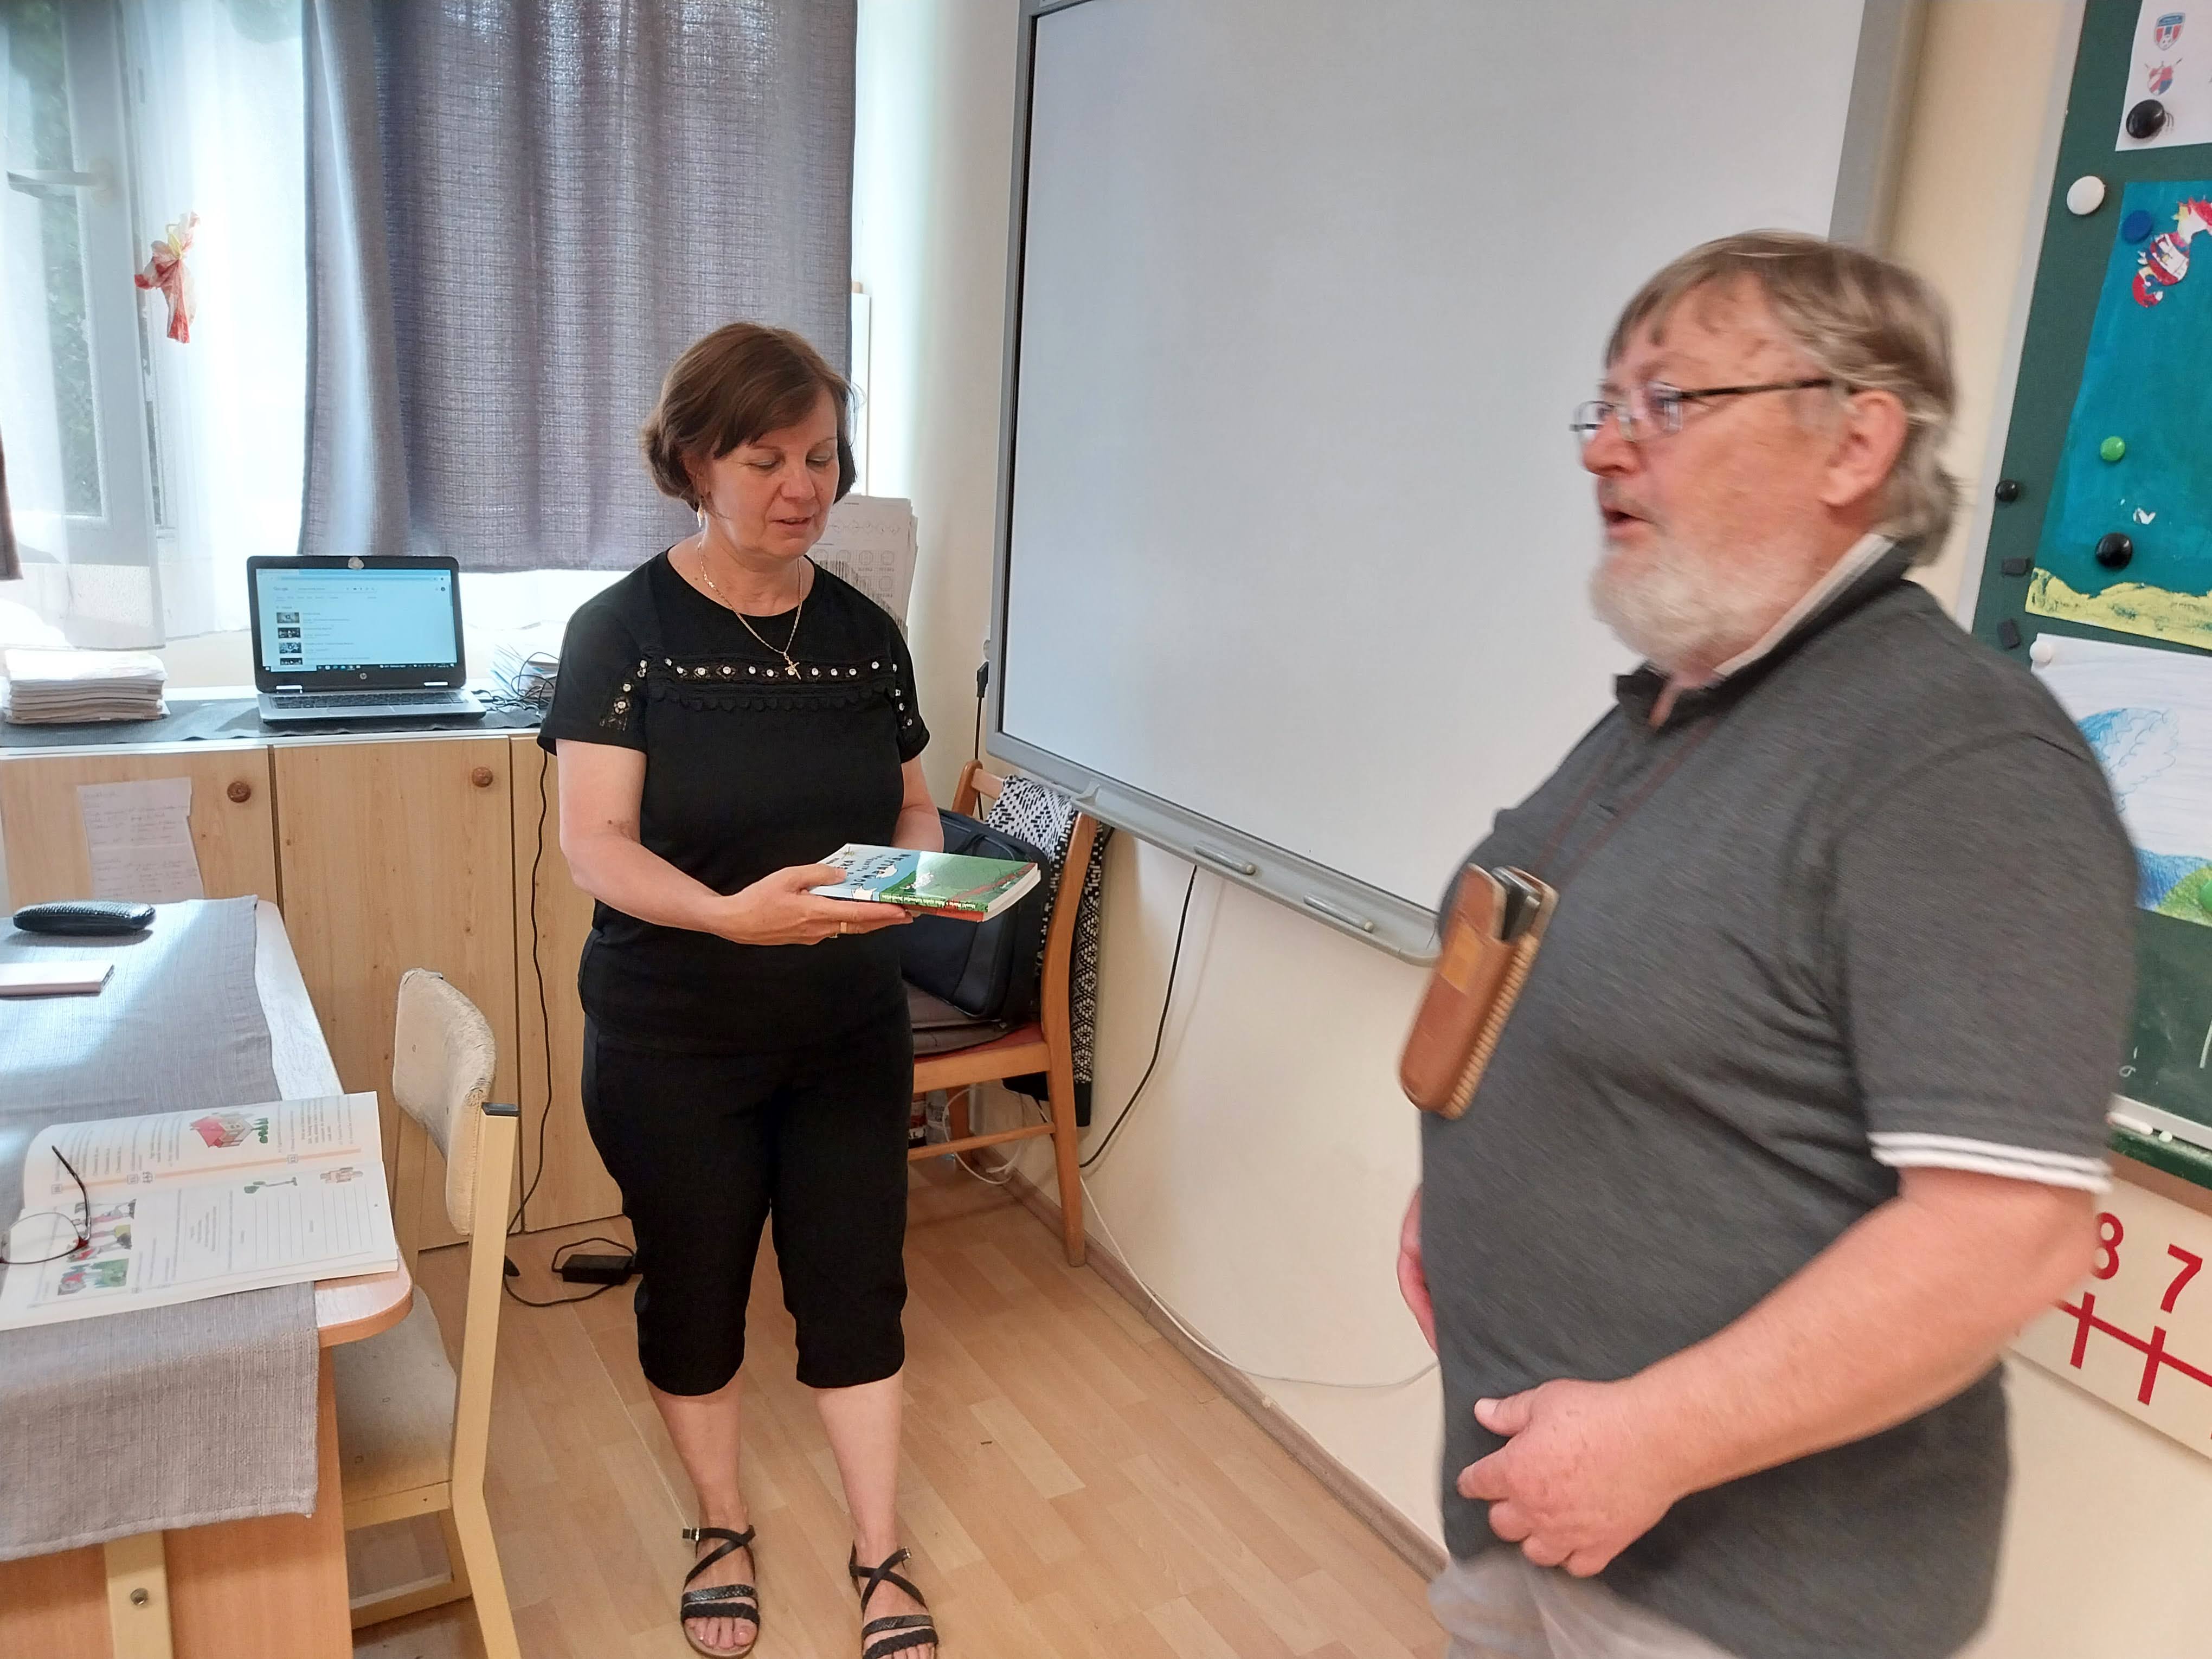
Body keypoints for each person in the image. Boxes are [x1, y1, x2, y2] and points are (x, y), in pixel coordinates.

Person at [1397, 232, 2136, 1659]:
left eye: (1667, 401)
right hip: (1536, 1520)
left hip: (1742, 1603)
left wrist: (1653, 1438)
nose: (1604, 448)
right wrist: (1470, 1184)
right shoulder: (1681, 705)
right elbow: (1592, 985)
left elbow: (2009, 1234)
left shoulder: (1958, 757)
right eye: (1604, 404)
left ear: (1855, 440)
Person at [540, 323, 942, 1659]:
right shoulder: (622, 633)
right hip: (676, 1037)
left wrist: (914, 878)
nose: (802, 486)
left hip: (847, 1028)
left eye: (820, 456)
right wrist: (727, 916)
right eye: (766, 459)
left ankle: (879, 1551)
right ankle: (722, 1524)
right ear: (695, 464)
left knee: (856, 1286)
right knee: (695, 1290)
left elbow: (911, 805)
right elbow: (596, 843)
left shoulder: (867, 636)